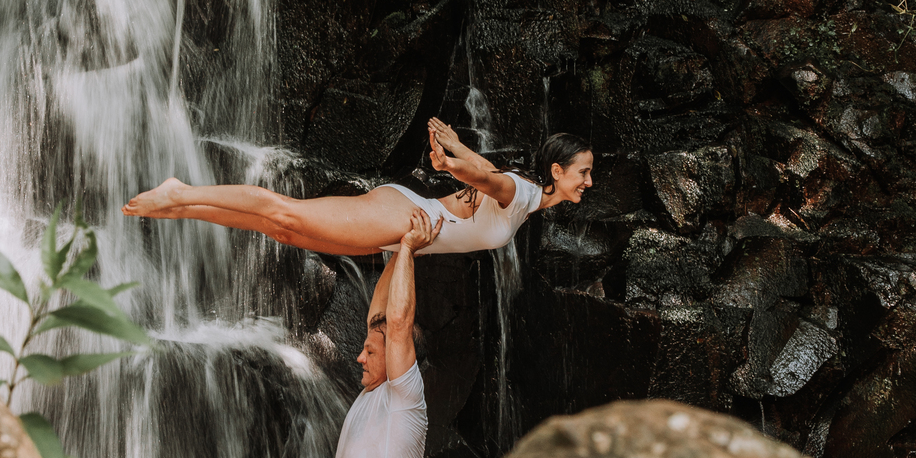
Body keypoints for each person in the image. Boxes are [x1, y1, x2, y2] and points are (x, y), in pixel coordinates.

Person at [122, 121, 594, 258]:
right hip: (401, 216)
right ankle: (181, 191)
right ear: (556, 170)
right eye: (583, 173)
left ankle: (181, 209)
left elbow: (487, 171)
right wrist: (455, 165)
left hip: (395, 235)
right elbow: (486, 179)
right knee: (286, 213)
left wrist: (456, 148)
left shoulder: (527, 193)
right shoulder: (527, 194)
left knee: (282, 232)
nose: (588, 183)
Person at [332, 206, 439, 458]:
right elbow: (381, 300)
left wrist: (408, 249)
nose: (360, 357)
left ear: (396, 358)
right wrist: (400, 249)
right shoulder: (374, 393)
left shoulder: (404, 396)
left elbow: (398, 320)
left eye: (371, 352)